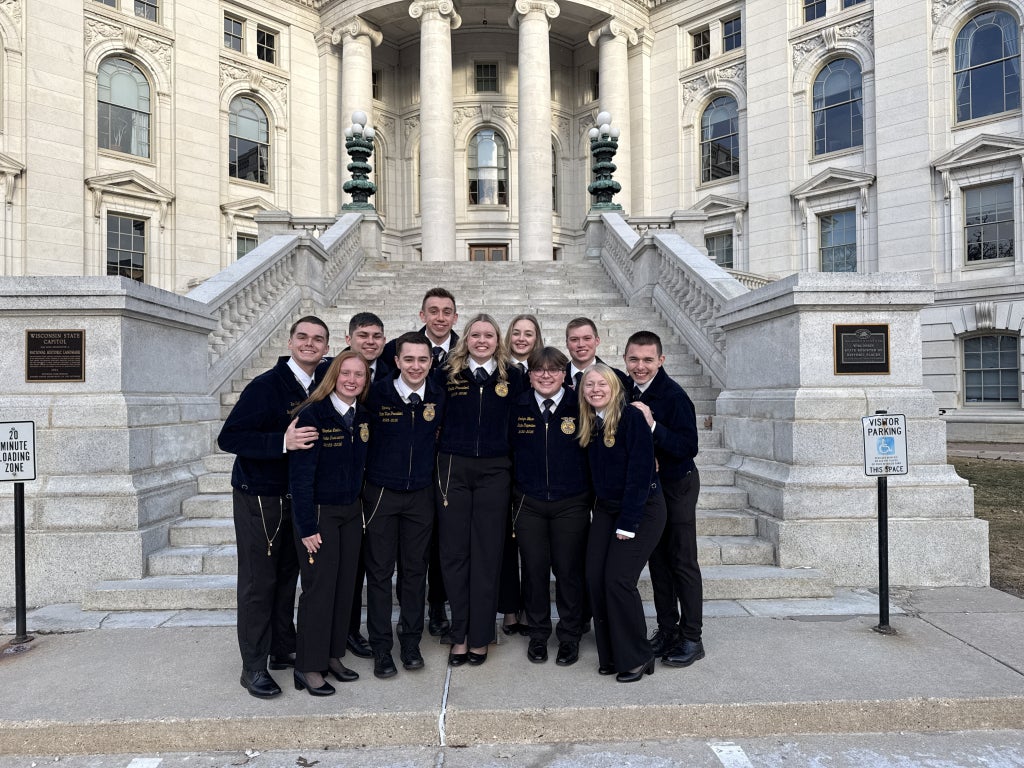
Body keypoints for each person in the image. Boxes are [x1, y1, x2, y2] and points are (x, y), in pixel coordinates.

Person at [217, 315, 329, 699]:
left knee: (287, 579)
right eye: (303, 337)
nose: (310, 344)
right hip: (259, 497)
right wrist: (282, 442)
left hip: (298, 499)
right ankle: (253, 667)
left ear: (326, 348)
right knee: (257, 584)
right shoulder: (265, 386)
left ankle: (283, 647)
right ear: (290, 341)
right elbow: (229, 437)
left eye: (317, 339)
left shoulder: (322, 383)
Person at [436, 314, 525, 666]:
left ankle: (481, 635)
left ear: (498, 340)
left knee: (487, 554)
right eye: (476, 334)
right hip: (452, 468)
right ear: (466, 339)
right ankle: (459, 635)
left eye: (489, 335)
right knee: (455, 554)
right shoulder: (447, 372)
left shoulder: (513, 376)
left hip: (494, 469)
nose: (482, 340)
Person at [362, 332, 447, 678]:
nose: (416, 366)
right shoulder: (375, 393)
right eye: (408, 359)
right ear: (396, 361)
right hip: (381, 493)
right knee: (380, 574)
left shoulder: (439, 397)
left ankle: (410, 641)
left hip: (421, 496)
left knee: (415, 573)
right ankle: (381, 647)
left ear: (431, 362)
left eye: (423, 360)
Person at [287, 351, 372, 696]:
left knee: (344, 588)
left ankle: (333, 655)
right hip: (320, 514)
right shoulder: (313, 415)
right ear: (333, 376)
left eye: (360, 375)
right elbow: (300, 478)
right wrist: (307, 526)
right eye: (346, 373)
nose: (352, 380)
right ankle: (308, 665)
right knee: (319, 590)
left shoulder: (362, 416)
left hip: (350, 513)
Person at [578, 363, 666, 683]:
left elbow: (640, 475)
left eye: (602, 383)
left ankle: (638, 656)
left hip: (642, 509)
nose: (596, 389)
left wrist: (628, 523)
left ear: (615, 387)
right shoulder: (591, 423)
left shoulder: (630, 419)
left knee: (618, 578)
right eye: (589, 385)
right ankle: (613, 654)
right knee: (594, 577)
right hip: (606, 510)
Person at [381, 287, 459, 636]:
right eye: (433, 311)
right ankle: (403, 623)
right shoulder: (396, 349)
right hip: (397, 471)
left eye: (446, 311)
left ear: (455, 317)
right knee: (405, 557)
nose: (440, 317)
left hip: (442, 466)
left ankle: (438, 605)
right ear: (422, 314)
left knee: (441, 543)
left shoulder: (466, 348)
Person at [624, 331, 704, 667]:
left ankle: (692, 637)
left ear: (661, 360)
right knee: (657, 562)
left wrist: (654, 427)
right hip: (649, 489)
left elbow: (689, 447)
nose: (640, 366)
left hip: (678, 486)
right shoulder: (626, 391)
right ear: (625, 359)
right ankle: (668, 630)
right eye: (634, 359)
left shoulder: (674, 396)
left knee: (681, 562)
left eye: (647, 360)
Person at [509, 347, 591, 666]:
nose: (546, 375)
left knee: (569, 571)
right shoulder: (516, 407)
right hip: (528, 503)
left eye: (554, 370)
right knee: (534, 570)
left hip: (570, 503)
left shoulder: (581, 405)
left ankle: (569, 636)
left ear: (564, 374)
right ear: (529, 375)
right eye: (539, 370)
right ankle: (539, 634)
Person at [341, 311, 389, 661]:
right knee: (347, 568)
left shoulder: (389, 373)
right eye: (363, 335)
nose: (370, 341)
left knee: (368, 563)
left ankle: (355, 630)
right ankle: (345, 631)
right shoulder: (336, 373)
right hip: (341, 484)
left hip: (376, 484)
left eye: (376, 336)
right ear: (349, 339)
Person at [498, 314, 545, 635]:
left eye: (529, 333)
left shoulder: (548, 368)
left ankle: (531, 608)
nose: (522, 338)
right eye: (516, 332)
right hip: (502, 467)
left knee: (532, 548)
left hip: (535, 471)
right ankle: (510, 609)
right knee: (505, 544)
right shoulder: (499, 370)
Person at [564, 317, 628, 391]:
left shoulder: (618, 377)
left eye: (587, 338)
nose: (581, 344)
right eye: (574, 339)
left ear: (597, 341)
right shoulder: (553, 378)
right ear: (567, 343)